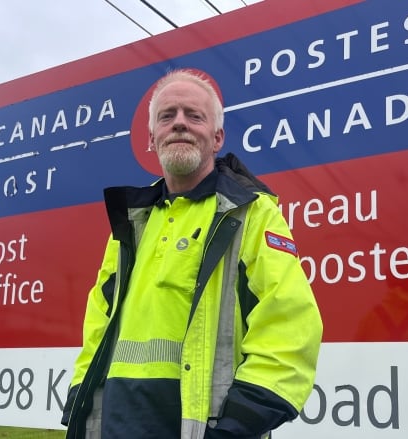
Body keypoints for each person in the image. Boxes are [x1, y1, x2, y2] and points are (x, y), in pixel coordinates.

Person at [61, 69, 323, 439]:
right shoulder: (133, 221)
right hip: (115, 423)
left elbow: (290, 328)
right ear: (152, 138)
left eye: (193, 115)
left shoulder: (250, 213)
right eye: (167, 116)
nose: (179, 124)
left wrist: (237, 427)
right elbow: (100, 321)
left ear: (217, 138)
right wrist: (79, 400)